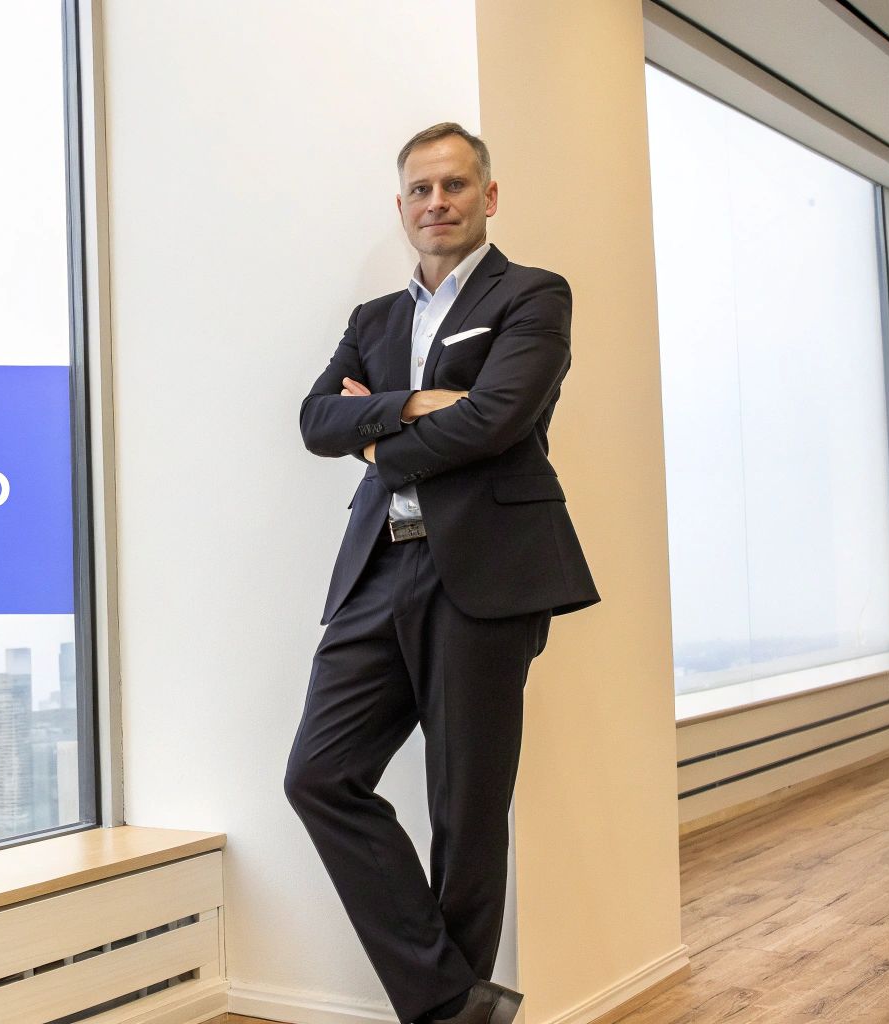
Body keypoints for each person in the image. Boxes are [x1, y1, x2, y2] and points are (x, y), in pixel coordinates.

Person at [282, 122, 600, 1024]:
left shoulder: (534, 296)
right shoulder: (373, 320)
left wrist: (375, 431)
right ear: (401, 206)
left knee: (464, 813)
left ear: (488, 197)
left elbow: (498, 420)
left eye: (455, 186)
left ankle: (443, 1015)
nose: (437, 203)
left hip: (483, 578)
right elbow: (313, 421)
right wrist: (417, 404)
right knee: (319, 775)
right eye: (420, 190)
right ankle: (456, 1005)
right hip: (378, 570)